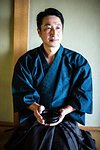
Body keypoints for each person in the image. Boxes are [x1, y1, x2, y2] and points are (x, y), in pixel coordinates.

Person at [5, 8, 97, 150]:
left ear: (62, 30)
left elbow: (83, 94)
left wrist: (64, 111)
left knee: (65, 145)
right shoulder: (26, 61)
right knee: (34, 144)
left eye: (58, 27)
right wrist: (36, 108)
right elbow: (22, 92)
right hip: (36, 117)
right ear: (39, 32)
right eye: (48, 28)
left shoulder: (78, 62)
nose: (54, 33)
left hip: (66, 117)